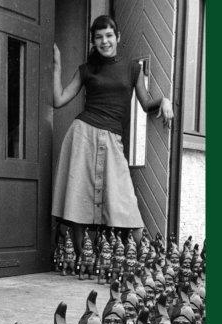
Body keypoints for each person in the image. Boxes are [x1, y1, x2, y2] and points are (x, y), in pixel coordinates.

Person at [52, 14, 173, 254]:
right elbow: (59, 100)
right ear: (93, 41)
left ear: (118, 37)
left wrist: (165, 100)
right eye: (99, 37)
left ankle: (145, 258)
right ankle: (81, 259)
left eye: (109, 35)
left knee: (124, 198)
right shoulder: (86, 70)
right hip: (83, 135)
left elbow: (146, 103)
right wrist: (57, 66)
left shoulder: (133, 68)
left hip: (112, 139)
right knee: (78, 198)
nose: (104, 41)